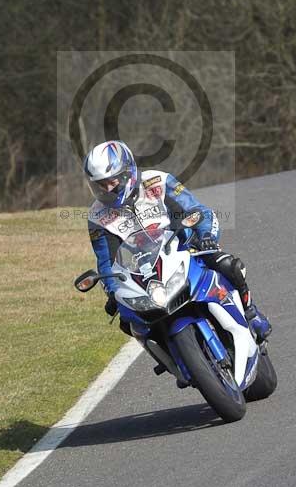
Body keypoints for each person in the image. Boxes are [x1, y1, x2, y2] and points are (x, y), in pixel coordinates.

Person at [84, 140, 271, 342]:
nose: (107, 189)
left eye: (112, 182)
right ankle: (172, 357)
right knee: (129, 321)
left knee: (228, 265)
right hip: (144, 274)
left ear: (127, 172)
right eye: (100, 185)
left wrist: (206, 237)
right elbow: (106, 262)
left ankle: (251, 313)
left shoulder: (158, 182)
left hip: (185, 250)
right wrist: (113, 293)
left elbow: (197, 211)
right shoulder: (97, 216)